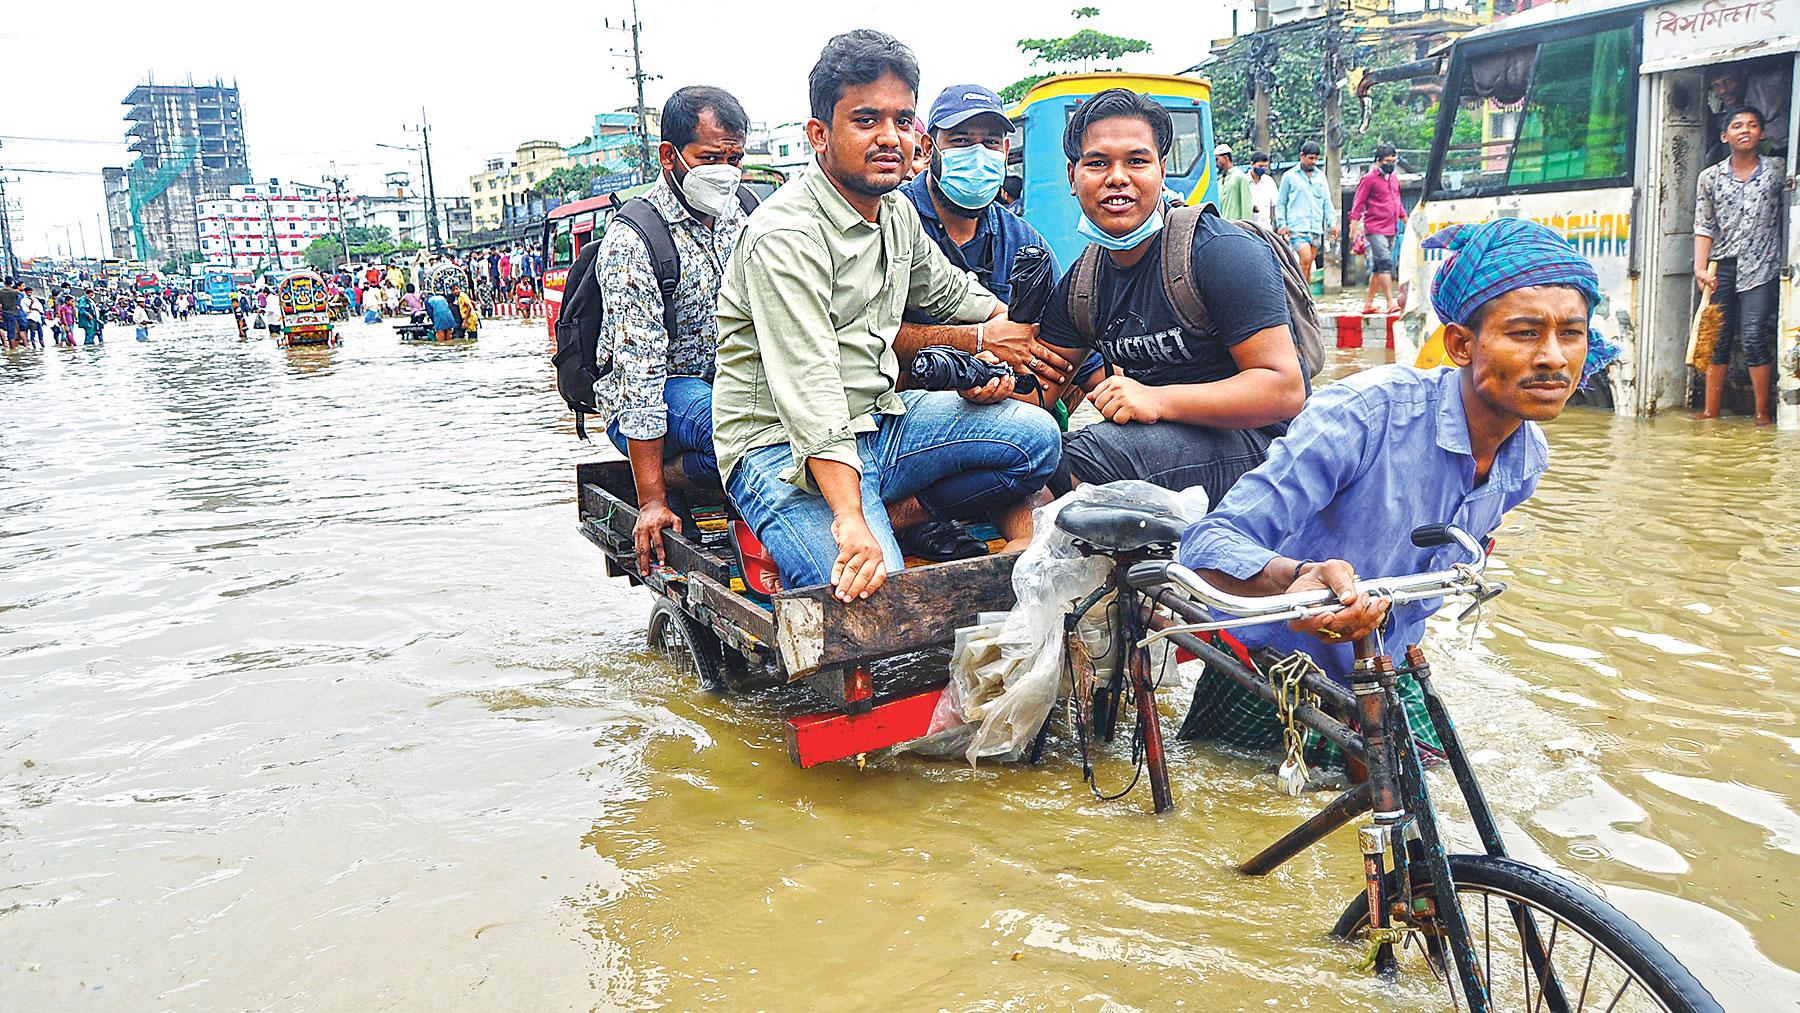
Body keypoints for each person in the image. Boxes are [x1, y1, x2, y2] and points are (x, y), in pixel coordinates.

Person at [1178, 217, 1612, 750]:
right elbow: (1206, 543)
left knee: (1433, 805)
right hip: (1272, 670)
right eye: (1525, 333)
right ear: (1460, 345)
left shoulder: (1526, 458)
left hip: (1386, 667)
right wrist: (1300, 580)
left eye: (1571, 334)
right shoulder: (1363, 415)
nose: (1553, 357)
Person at [713, 29, 1061, 602]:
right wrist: (850, 519)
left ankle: (894, 511)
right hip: (781, 448)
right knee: (881, 597)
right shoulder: (784, 236)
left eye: (902, 121)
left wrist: (1010, 342)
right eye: (866, 119)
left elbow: (956, 296)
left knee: (1037, 439)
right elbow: (811, 390)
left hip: (882, 421)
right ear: (819, 135)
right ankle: (837, 518)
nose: (889, 138)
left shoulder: (896, 212)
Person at [1032, 88, 1306, 508]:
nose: (1117, 177)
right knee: (1021, 449)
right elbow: (1038, 389)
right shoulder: (1083, 283)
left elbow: (1284, 389)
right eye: (1098, 163)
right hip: (1164, 439)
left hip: (1263, 445)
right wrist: (984, 381)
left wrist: (1157, 400)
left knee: (1089, 453)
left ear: (1162, 171)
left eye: (1136, 161)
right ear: (1073, 177)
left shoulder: (1219, 252)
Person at [890, 82, 1066, 561]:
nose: (979, 154)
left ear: (1006, 151)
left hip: (995, 410)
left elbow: (1044, 350)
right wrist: (976, 344)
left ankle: (931, 520)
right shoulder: (891, 219)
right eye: (962, 142)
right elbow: (869, 336)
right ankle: (906, 516)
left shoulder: (1023, 240)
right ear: (930, 149)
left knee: (1040, 455)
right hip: (897, 409)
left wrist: (1006, 377)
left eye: (990, 142)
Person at [594, 85, 754, 569]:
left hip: (729, 381)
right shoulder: (634, 237)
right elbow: (640, 375)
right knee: (731, 421)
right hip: (660, 391)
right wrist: (651, 500)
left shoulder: (743, 213)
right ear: (670, 156)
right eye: (710, 158)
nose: (725, 173)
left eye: (735, 158)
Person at [1693, 105, 1786, 424]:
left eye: (1752, 125)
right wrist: (1700, 268)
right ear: (1725, 135)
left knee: (1753, 336)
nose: (1745, 130)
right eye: (1737, 125)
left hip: (1762, 265)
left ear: (1761, 132)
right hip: (1722, 266)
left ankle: (1763, 415)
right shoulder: (1710, 177)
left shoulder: (1777, 170)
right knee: (1716, 337)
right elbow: (1704, 225)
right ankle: (1710, 412)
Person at [1349, 143, 1407, 315]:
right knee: (1385, 263)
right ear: (1378, 162)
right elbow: (1358, 203)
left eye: (1393, 161)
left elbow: (1398, 202)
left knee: (1378, 267)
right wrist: (1353, 224)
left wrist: (1405, 219)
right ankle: (1390, 302)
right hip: (1375, 228)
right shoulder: (1368, 179)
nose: (1390, 164)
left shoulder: (1394, 179)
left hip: (1392, 227)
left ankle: (1368, 304)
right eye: (1387, 161)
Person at [1278, 140, 1337, 285]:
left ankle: (1307, 298)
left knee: (1309, 264)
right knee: (1305, 260)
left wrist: (1332, 223)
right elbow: (1281, 203)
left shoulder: (1320, 177)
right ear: (1302, 156)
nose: (1313, 161)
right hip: (1297, 227)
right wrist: (1282, 224)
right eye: (1310, 158)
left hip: (1316, 227)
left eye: (1316, 158)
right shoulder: (1289, 176)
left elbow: (1326, 202)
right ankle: (1299, 293)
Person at [1214, 144, 1252, 221]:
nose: (1216, 162)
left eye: (1217, 159)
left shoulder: (1239, 176)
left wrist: (1246, 227)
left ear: (1225, 158)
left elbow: (1246, 205)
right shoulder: (1220, 180)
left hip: (1236, 227)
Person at [1248, 151, 1279, 231]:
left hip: (1266, 228)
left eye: (1265, 166)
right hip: (1248, 228)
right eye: (1260, 166)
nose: (1263, 168)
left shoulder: (1269, 181)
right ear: (1252, 164)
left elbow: (1275, 205)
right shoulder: (1244, 181)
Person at [0, 278, 22, 350]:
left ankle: (6, 346)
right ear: (12, 283)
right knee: (11, 332)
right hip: (13, 313)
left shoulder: (1, 292)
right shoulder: (15, 292)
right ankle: (13, 349)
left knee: (2, 329)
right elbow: (18, 303)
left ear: (5, 283)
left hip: (4, 313)